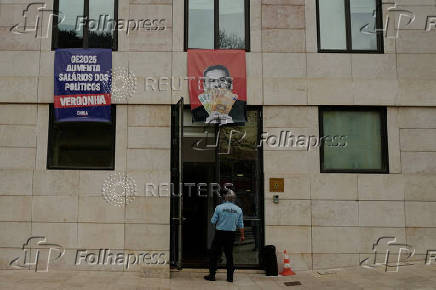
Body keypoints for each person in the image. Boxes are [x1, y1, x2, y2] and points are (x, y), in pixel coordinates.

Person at [204, 190, 244, 283]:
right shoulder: (238, 209)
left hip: (220, 233)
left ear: (225, 198)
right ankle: (230, 278)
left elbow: (213, 221)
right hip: (231, 234)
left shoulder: (219, 208)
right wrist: (242, 235)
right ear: (234, 199)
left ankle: (212, 275)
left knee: (214, 255)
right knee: (229, 256)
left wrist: (220, 221)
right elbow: (240, 224)